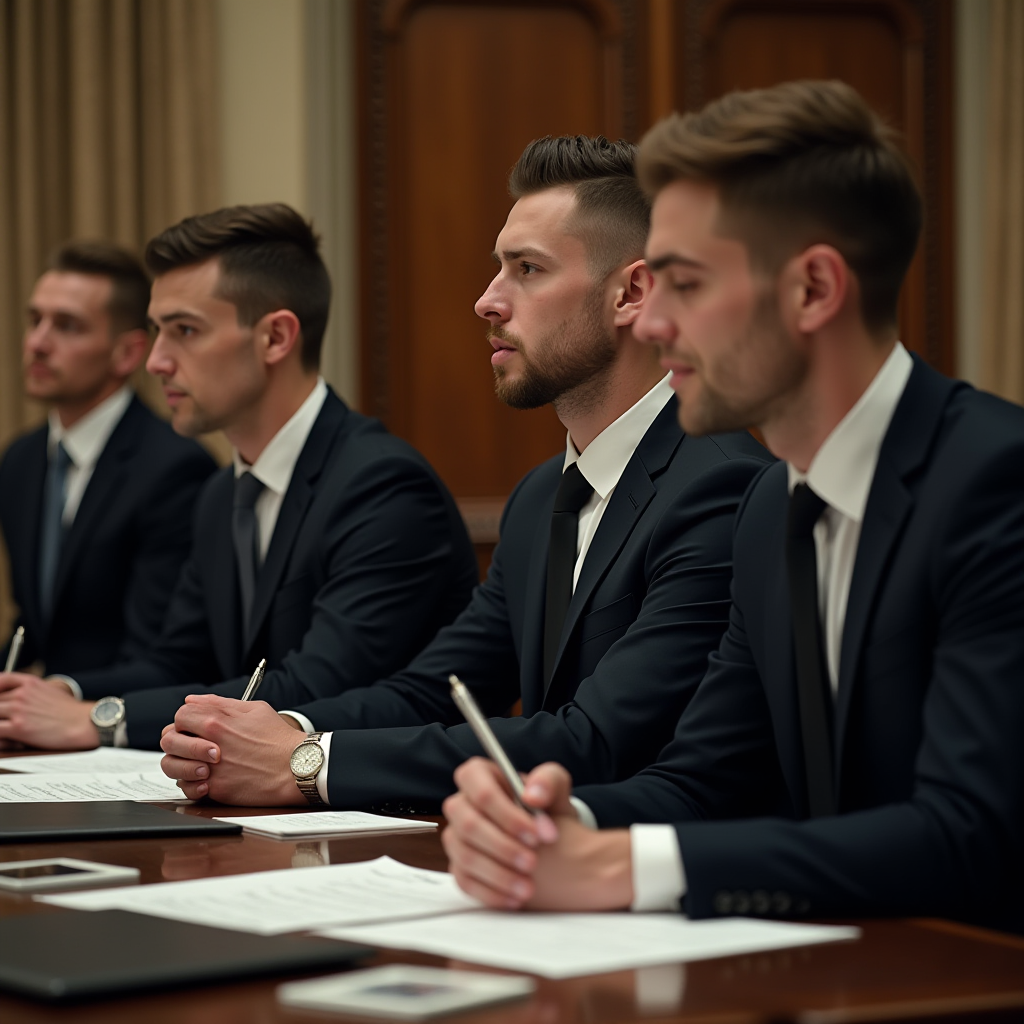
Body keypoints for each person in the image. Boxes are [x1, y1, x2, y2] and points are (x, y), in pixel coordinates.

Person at [439, 82, 1024, 933]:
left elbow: (973, 836)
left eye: (684, 283)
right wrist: (555, 830)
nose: (655, 321)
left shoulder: (996, 482)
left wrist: (618, 864)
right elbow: (704, 779)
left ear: (814, 290)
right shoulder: (770, 506)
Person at [158, 136, 771, 811]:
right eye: (496, 269)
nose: (487, 300)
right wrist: (281, 732)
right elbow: (434, 690)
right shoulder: (541, 497)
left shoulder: (721, 485)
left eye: (527, 269)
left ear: (632, 292)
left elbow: (598, 741)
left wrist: (309, 765)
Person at [0, 203, 478, 751]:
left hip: (393, 816)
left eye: (184, 330)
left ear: (275, 338)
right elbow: (175, 663)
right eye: (157, 331)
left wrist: (98, 720)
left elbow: (315, 684)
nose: (156, 362)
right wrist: (62, 693)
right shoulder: (219, 494)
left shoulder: (383, 486)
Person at [0, 242, 215, 687]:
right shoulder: (20, 461)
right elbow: (36, 624)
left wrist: (60, 696)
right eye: (35, 320)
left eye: (67, 326)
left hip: (128, 730)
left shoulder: (175, 467)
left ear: (128, 353)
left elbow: (163, 655)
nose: (38, 343)